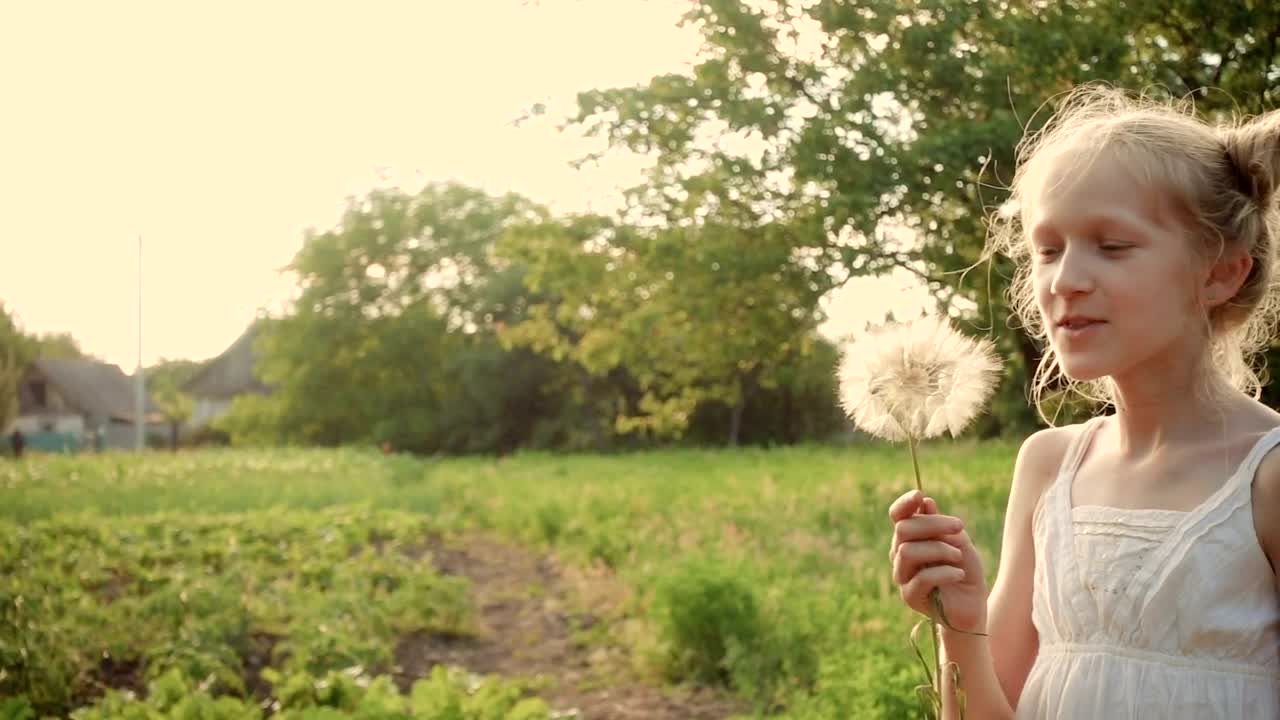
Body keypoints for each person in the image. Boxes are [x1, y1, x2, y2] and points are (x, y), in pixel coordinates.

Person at [888, 85, 1280, 719]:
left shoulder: (1267, 478)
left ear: (1219, 272)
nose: (1064, 281)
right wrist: (960, 625)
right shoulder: (1048, 465)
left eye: (1113, 246)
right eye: (1047, 250)